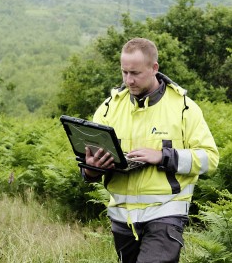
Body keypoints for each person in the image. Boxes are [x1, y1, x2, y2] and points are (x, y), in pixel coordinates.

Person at [81, 37, 219, 263]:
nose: (129, 80)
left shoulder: (184, 108)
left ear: (154, 68)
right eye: (124, 72)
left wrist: (163, 156)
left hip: (166, 213)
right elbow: (90, 167)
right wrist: (92, 171)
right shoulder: (107, 109)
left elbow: (210, 159)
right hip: (122, 219)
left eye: (135, 73)